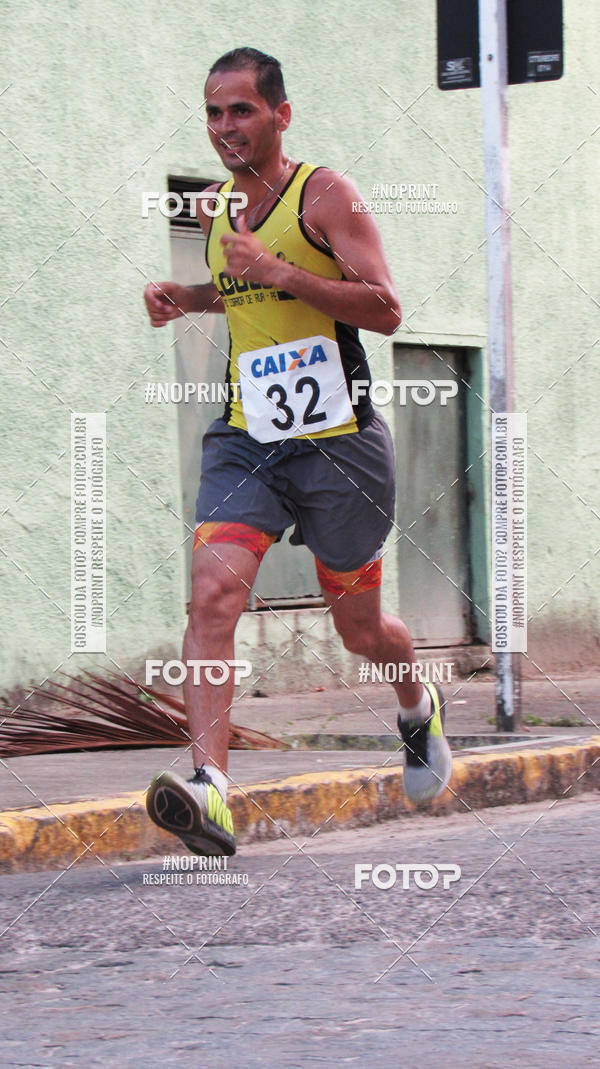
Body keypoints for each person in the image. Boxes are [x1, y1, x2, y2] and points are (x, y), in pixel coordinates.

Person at [144, 47, 452, 857]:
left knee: (360, 631)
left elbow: (384, 308)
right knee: (212, 597)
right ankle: (212, 789)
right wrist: (188, 298)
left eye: (241, 110)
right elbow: (242, 289)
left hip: (338, 447)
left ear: (281, 114)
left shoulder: (327, 195)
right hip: (247, 436)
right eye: (213, 113)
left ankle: (417, 706)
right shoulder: (214, 208)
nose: (224, 128)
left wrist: (276, 265)